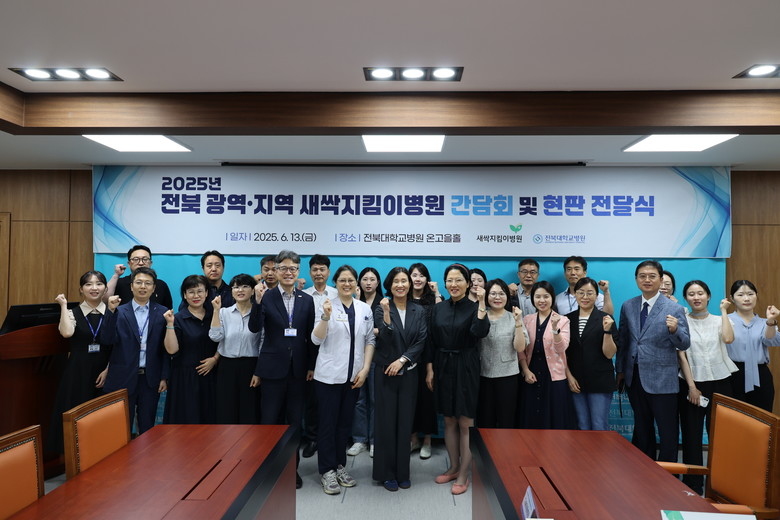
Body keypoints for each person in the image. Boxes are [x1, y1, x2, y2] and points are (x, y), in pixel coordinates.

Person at [248, 250, 315, 489]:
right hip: (272, 369)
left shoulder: (306, 299)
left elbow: (310, 336)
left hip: (298, 370)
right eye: (284, 268)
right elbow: (254, 328)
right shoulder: (265, 296)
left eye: (293, 268)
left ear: (298, 271)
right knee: (269, 421)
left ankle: (291, 470)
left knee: (295, 422)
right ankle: (268, 470)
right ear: (275, 271)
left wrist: (311, 366)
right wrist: (256, 303)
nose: (288, 272)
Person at [616, 260, 690, 462]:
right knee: (642, 428)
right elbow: (623, 341)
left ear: (661, 279)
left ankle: (668, 474)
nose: (647, 280)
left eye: (652, 276)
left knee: (668, 431)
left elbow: (685, 343)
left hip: (663, 379)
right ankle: (643, 471)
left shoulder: (674, 308)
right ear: (636, 279)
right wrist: (620, 371)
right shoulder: (628, 306)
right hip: (634, 378)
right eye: (642, 276)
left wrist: (675, 330)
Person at [311, 265, 375, 495]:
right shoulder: (325, 305)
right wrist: (325, 318)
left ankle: (339, 466)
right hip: (328, 377)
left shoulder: (363, 308)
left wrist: (365, 369)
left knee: (344, 425)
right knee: (328, 425)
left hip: (354, 377)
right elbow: (316, 340)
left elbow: (370, 340)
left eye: (350, 280)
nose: (347, 284)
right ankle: (326, 470)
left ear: (356, 284)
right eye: (342, 281)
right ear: (335, 283)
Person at [426, 263, 489, 495]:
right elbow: (431, 340)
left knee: (465, 422)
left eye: (459, 280)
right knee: (449, 419)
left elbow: (480, 331)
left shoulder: (475, 307)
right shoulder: (438, 308)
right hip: (443, 365)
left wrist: (482, 303)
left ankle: (464, 473)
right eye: (450, 280)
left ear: (468, 283)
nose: (454, 284)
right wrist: (430, 369)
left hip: (466, 366)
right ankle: (453, 467)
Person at [677, 280, 737, 494]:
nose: (696, 297)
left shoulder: (721, 319)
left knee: (720, 436)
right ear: (686, 298)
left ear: (708, 296)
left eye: (700, 293)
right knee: (691, 436)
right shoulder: (682, 321)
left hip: (721, 381)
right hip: (692, 384)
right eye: (691, 294)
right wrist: (692, 387)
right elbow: (681, 356)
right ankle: (693, 486)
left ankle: (720, 484)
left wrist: (724, 311)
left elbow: (728, 339)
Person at [48, 271, 118, 453]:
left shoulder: (113, 312)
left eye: (99, 284)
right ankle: (75, 457)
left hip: (105, 373)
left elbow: (118, 347)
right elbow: (66, 333)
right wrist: (63, 306)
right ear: (81, 289)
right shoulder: (72, 313)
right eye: (88, 284)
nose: (94, 288)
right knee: (76, 414)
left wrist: (108, 369)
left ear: (105, 288)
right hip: (77, 372)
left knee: (102, 417)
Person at [372, 267, 427, 491]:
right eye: (396, 281)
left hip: (408, 372)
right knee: (386, 424)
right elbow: (385, 339)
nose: (401, 285)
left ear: (410, 284)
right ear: (390, 284)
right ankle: (387, 473)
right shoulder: (381, 307)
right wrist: (386, 313)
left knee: (405, 423)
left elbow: (421, 339)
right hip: (386, 372)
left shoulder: (418, 310)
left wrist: (402, 360)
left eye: (404, 281)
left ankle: (403, 472)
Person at [103, 266, 170, 434]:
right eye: (139, 282)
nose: (143, 286)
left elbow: (165, 349)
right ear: (131, 286)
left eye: (148, 283)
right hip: (122, 377)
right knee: (121, 427)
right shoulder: (118, 311)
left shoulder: (162, 313)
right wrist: (110, 312)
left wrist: (164, 376)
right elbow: (107, 340)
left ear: (154, 288)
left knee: (147, 426)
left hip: (150, 378)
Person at [162, 275, 218, 424]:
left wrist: (215, 359)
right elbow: (172, 350)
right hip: (185, 377)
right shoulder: (178, 318)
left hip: (210, 375)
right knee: (186, 420)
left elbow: (224, 342)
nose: (196, 296)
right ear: (185, 295)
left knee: (210, 421)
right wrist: (169, 324)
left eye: (200, 291)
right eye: (191, 292)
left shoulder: (215, 315)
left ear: (206, 293)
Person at [564, 277, 618, 431]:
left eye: (590, 293)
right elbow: (562, 352)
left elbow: (609, 354)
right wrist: (569, 377)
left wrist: (607, 331)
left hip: (599, 381)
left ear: (596, 295)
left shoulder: (606, 318)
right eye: (581, 292)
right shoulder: (567, 319)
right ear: (575, 294)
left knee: (599, 425)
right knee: (582, 425)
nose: (585, 297)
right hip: (576, 381)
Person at [208, 274, 262, 424]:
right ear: (231, 291)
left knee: (249, 410)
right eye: (236, 287)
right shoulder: (224, 312)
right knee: (226, 409)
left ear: (253, 290)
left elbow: (263, 342)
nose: (240, 290)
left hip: (251, 366)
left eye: (245, 286)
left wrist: (259, 372)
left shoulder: (259, 313)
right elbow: (215, 337)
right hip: (227, 366)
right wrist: (216, 310)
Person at [519, 280, 571, 429]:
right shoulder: (527, 320)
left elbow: (561, 348)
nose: (542, 300)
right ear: (533, 299)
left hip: (554, 376)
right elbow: (521, 349)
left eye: (546, 296)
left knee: (554, 418)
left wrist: (555, 329)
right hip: (532, 374)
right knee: (531, 417)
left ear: (552, 298)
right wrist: (525, 370)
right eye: (538, 297)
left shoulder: (563, 320)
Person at [301, 254, 338, 458]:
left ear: (328, 272)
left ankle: (330, 437)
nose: (318, 273)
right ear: (310, 272)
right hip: (310, 348)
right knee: (311, 399)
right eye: (314, 269)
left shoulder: (337, 293)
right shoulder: (303, 295)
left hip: (333, 347)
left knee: (331, 398)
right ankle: (312, 438)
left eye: (322, 269)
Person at [477, 279, 527, 429]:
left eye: (501, 293)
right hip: (483, 375)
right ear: (486, 296)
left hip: (508, 377)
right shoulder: (480, 316)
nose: (497, 297)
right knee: (485, 419)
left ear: (507, 296)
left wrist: (518, 323)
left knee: (507, 418)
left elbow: (520, 347)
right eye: (493, 294)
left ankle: (506, 445)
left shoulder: (514, 317)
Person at [727, 280, 780, 412]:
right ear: (732, 298)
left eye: (750, 294)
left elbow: (770, 340)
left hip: (760, 373)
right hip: (733, 373)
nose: (746, 298)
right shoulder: (725, 320)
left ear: (756, 296)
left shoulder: (764, 322)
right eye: (740, 295)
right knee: (734, 417)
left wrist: (770, 321)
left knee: (762, 416)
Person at [348, 267, 383, 457]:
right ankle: (359, 439)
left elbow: (386, 330)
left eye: (372, 279)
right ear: (359, 282)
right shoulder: (352, 302)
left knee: (376, 400)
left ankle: (375, 440)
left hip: (378, 357)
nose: (368, 283)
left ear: (378, 282)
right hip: (355, 357)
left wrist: (370, 331)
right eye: (365, 279)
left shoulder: (384, 302)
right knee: (358, 400)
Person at [408, 262, 441, 459]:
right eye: (414, 275)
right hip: (409, 356)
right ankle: (413, 439)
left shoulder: (433, 300)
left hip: (429, 355)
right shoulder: (403, 298)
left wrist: (437, 293)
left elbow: (441, 319)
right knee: (410, 399)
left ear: (427, 279)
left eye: (421, 275)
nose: (418, 279)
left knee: (427, 399)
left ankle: (427, 440)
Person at [105, 245, 173, 310]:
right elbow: (105, 300)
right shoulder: (120, 283)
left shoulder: (161, 285)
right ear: (129, 263)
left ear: (150, 263)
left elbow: (168, 311)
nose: (141, 263)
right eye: (136, 259)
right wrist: (116, 275)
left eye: (145, 259)